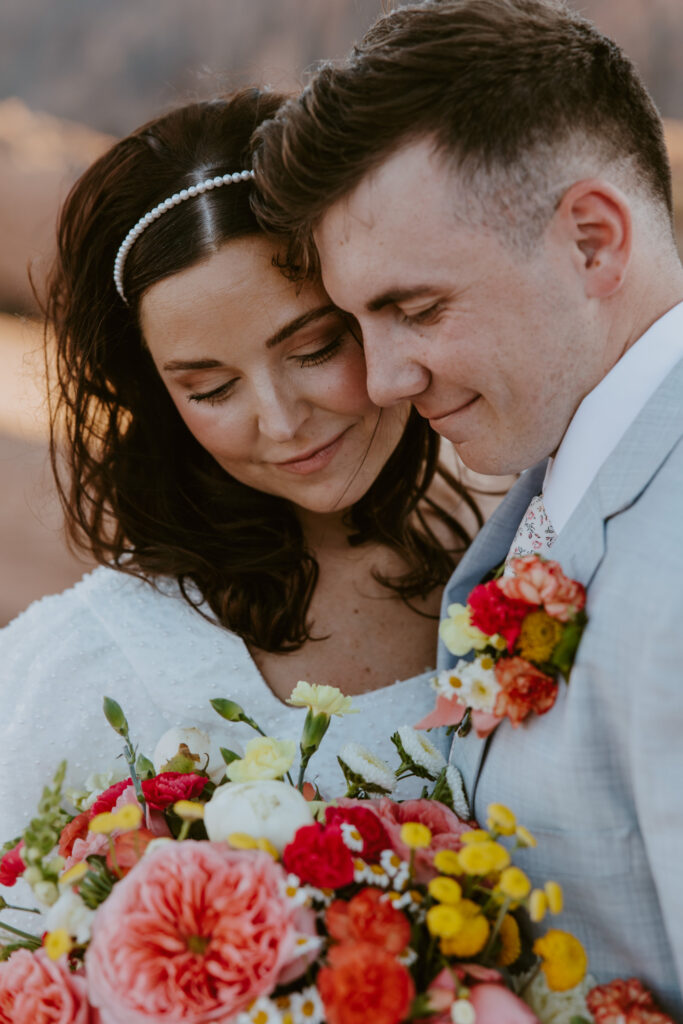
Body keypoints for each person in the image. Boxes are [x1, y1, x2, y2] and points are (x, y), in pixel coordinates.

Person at [251, 0, 683, 1014]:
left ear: (589, 241)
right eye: (357, 322)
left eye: (415, 309)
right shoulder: (567, 477)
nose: (386, 377)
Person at [0, 88, 481, 847]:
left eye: (315, 348)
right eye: (211, 388)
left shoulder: (524, 547)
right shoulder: (76, 671)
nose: (282, 421)